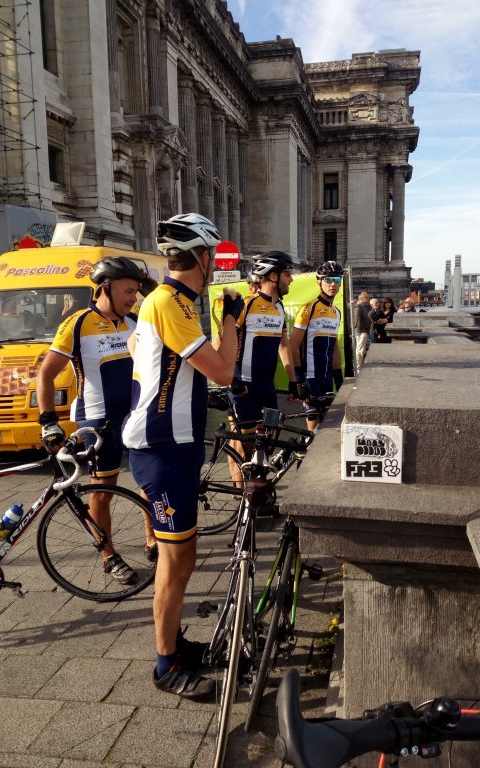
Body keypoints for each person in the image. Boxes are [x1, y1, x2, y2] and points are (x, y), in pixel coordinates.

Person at [122, 213, 241, 701]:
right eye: (213, 257)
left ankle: (172, 644)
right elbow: (222, 371)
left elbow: (141, 347)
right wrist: (232, 318)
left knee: (185, 557)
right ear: (205, 257)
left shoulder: (176, 303)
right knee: (174, 562)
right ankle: (165, 665)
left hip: (177, 443)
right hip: (161, 448)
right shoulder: (169, 302)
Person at [36, 256, 157, 582]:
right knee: (103, 490)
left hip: (133, 415)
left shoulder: (134, 321)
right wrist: (48, 421)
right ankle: (108, 554)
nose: (134, 297)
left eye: (136, 291)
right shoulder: (78, 323)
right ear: (105, 287)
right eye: (128, 291)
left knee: (148, 479)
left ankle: (152, 538)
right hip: (96, 421)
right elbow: (46, 374)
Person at [228, 251, 298, 437]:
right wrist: (230, 378)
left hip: (267, 387)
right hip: (243, 386)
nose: (291, 280)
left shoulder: (280, 307)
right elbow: (222, 340)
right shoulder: (247, 304)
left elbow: (283, 345)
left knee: (269, 439)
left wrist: (293, 381)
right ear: (274, 276)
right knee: (243, 444)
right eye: (287, 274)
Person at [289, 261, 343, 430]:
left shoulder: (336, 312)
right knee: (313, 427)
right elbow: (293, 346)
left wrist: (338, 377)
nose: (333, 284)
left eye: (337, 279)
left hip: (326, 378)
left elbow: (334, 347)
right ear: (319, 282)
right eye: (328, 279)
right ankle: (305, 454)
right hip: (310, 378)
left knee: (329, 424)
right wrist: (298, 380)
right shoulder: (308, 308)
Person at [353, 291, 372, 368]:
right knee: (360, 350)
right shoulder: (358, 306)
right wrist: (359, 329)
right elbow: (356, 318)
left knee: (361, 349)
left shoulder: (361, 306)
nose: (368, 299)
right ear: (362, 298)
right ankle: (358, 366)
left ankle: (360, 365)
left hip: (363, 330)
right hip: (361, 331)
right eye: (367, 297)